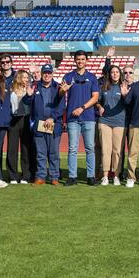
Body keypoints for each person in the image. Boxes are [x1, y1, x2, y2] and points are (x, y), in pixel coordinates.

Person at [61, 50, 100, 186]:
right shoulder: (68, 76)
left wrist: (82, 108)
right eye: (78, 59)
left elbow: (95, 97)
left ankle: (91, 176)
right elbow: (61, 93)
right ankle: (72, 177)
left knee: (90, 148)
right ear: (74, 60)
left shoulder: (92, 77)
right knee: (72, 148)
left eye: (83, 59)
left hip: (88, 117)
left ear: (86, 61)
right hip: (72, 119)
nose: (80, 61)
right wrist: (63, 90)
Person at [30, 64, 65, 186]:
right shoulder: (34, 87)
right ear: (42, 73)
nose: (47, 75)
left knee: (54, 152)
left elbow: (61, 107)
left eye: (49, 73)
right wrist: (28, 96)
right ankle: (40, 177)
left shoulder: (58, 87)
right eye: (45, 72)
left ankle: (54, 177)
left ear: (52, 74)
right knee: (41, 153)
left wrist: (52, 118)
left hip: (53, 124)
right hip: (39, 125)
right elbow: (28, 104)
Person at [97, 65, 127, 186]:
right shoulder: (104, 87)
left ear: (120, 74)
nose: (115, 74)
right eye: (113, 72)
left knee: (117, 151)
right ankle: (105, 176)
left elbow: (129, 103)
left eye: (117, 72)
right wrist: (99, 107)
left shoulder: (124, 87)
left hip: (120, 122)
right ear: (110, 74)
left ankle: (116, 176)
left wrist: (125, 95)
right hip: (105, 122)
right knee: (106, 150)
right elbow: (97, 101)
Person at [7, 69, 34, 184]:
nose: (26, 79)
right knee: (12, 149)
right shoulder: (11, 89)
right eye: (24, 77)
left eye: (27, 78)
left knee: (26, 149)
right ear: (18, 78)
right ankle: (13, 176)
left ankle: (26, 175)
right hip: (13, 121)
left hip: (26, 119)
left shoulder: (30, 89)